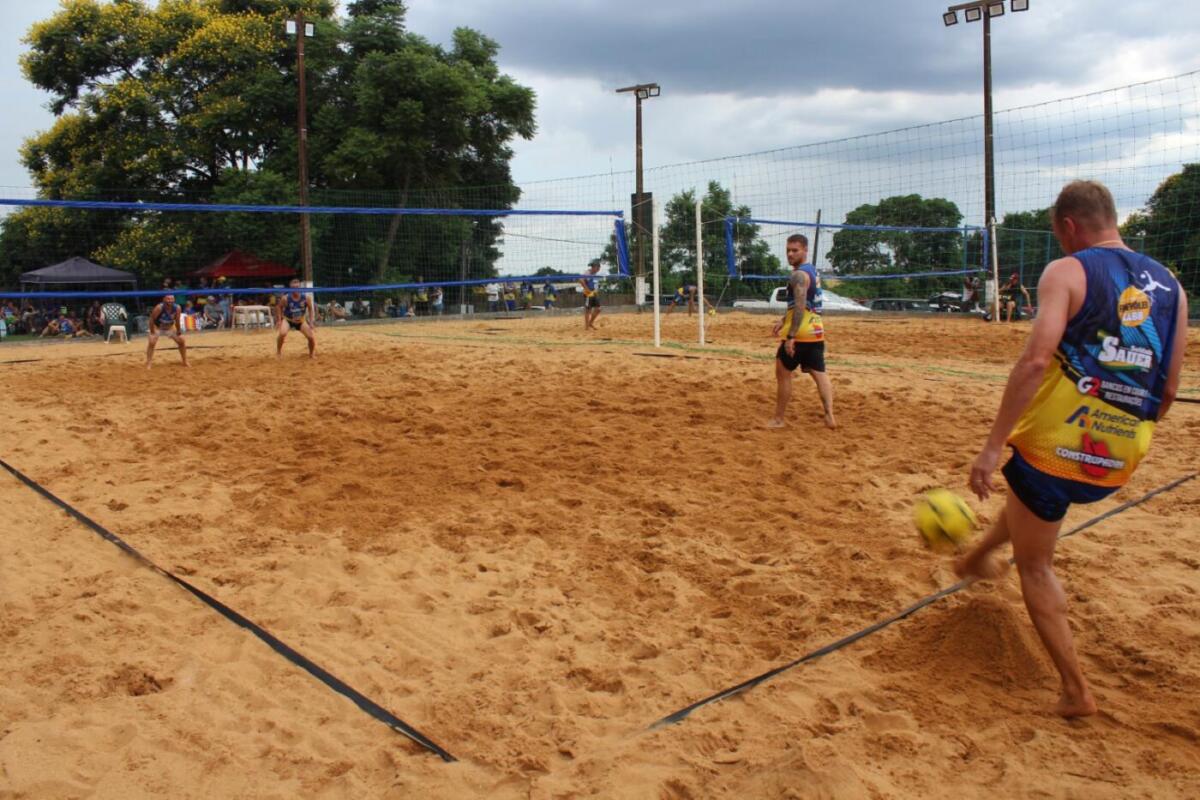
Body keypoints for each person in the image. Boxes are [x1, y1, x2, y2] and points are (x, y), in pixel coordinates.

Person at [955, 180, 1188, 718]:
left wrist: (991, 447)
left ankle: (1075, 691)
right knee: (1033, 500)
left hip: (1057, 443)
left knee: (1035, 563)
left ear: (1068, 226)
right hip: (1123, 451)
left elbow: (1036, 361)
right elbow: (1169, 390)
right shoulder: (1172, 286)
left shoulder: (1067, 270)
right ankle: (978, 555)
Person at [768, 234, 835, 430]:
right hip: (816, 332)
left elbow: (800, 306)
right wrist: (783, 320)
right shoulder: (812, 271)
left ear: (805, 250)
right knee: (820, 374)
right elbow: (806, 304)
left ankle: (779, 419)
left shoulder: (798, 275)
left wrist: (791, 336)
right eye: (788, 250)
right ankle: (830, 415)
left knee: (783, 374)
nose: (790, 254)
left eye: (795, 250)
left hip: (799, 335)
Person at [276, 278, 316, 359]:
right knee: (282, 333)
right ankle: (278, 352)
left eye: (297, 287)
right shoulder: (285, 298)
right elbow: (279, 307)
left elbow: (311, 309)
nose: (295, 289)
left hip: (301, 320)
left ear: (300, 288)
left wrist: (311, 322)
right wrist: (279, 320)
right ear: (290, 288)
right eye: (293, 288)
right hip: (288, 320)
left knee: (311, 337)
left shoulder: (306, 298)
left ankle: (311, 354)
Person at [145, 294, 189, 368]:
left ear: (174, 300)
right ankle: (149, 363)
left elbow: (177, 321)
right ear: (164, 299)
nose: (170, 301)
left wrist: (178, 331)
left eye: (172, 299)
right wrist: (152, 331)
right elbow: (151, 319)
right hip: (157, 327)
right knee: (152, 342)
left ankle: (185, 361)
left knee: (182, 340)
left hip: (170, 327)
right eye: (168, 299)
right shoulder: (159, 307)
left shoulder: (177, 308)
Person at [580, 259, 602, 331]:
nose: (599, 269)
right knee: (588, 310)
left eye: (599, 267)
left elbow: (595, 284)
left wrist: (596, 290)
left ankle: (590, 323)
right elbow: (581, 280)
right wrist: (587, 289)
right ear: (594, 267)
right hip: (588, 294)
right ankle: (587, 327)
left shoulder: (595, 274)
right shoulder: (588, 272)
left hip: (594, 293)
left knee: (598, 309)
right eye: (598, 267)